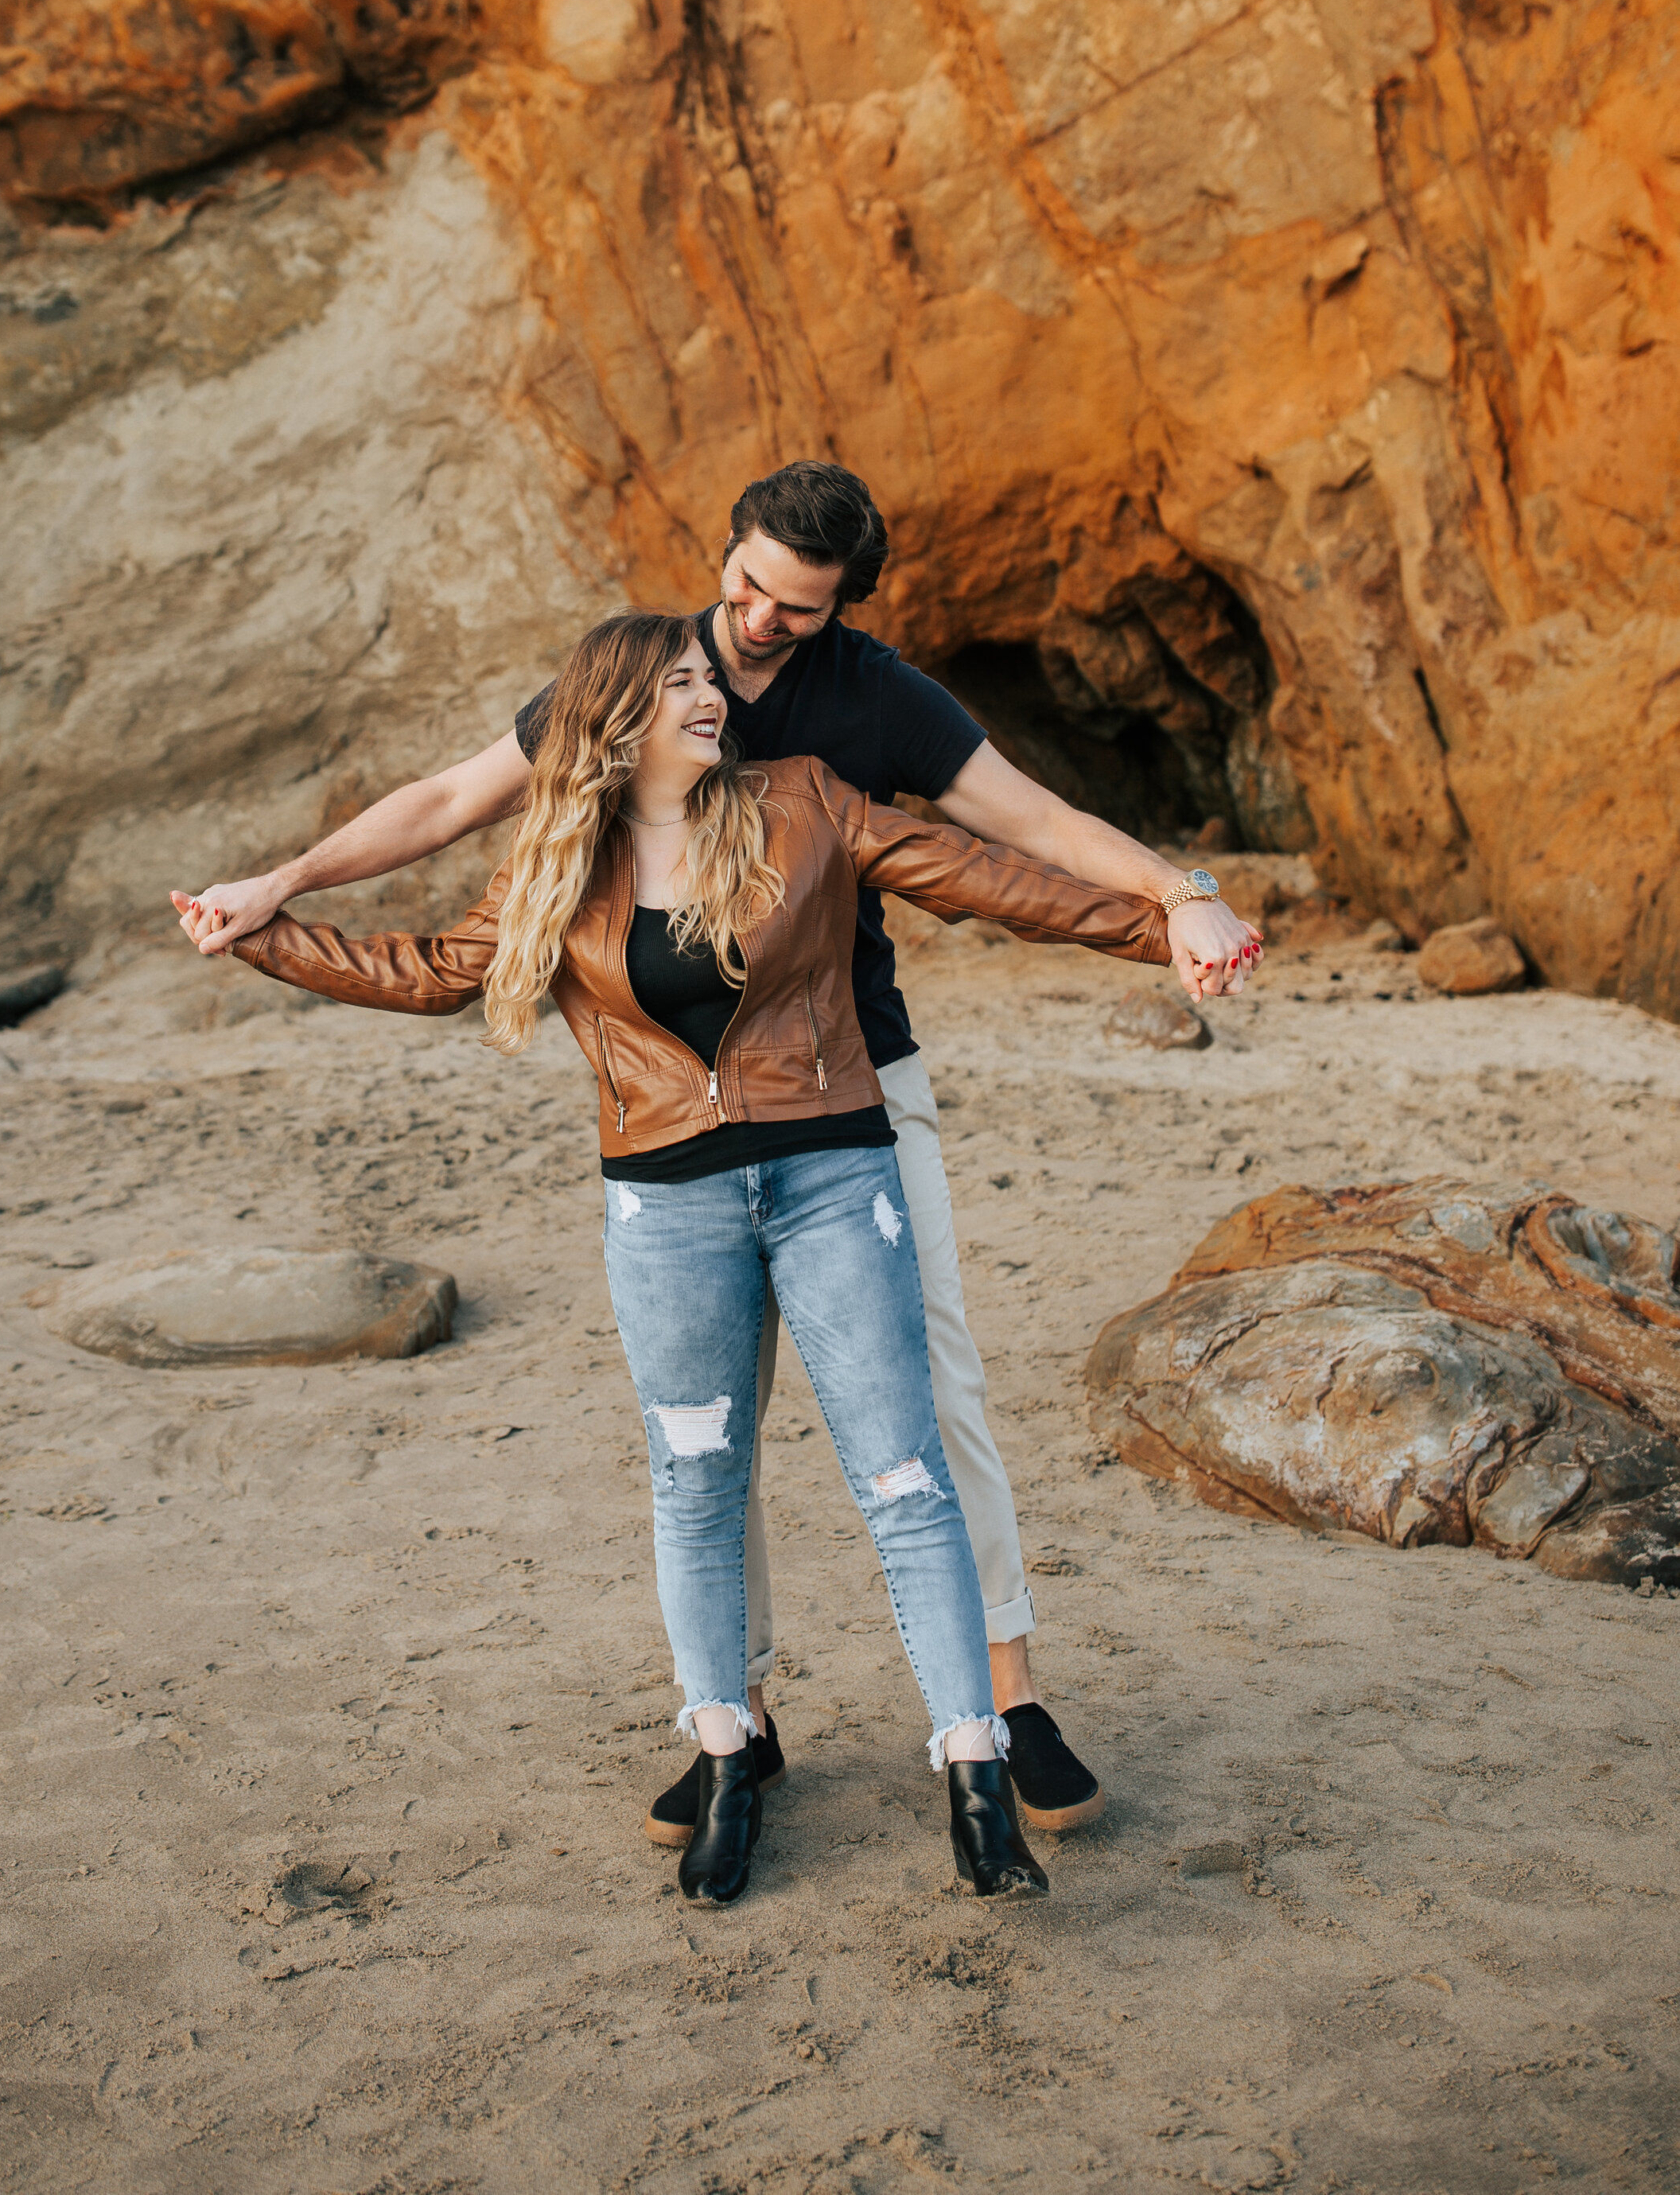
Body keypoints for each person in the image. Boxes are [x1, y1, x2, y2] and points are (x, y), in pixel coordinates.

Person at [178, 463, 1261, 1843]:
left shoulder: (870, 709)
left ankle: (1008, 1695)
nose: (751, 626)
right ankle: (733, 1722)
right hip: (678, 1133)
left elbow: (1028, 837)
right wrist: (278, 889)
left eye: (789, 610)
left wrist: (1181, 899)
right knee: (709, 1435)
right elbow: (450, 805)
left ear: (839, 607)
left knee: (933, 1395)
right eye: (741, 587)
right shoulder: (642, 675)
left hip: (853, 1084)